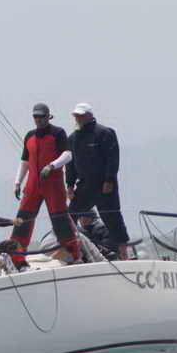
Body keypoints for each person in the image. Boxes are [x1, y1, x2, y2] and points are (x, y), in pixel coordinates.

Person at [10, 103, 80, 266]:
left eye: (41, 116)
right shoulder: (29, 136)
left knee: (59, 218)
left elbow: (68, 155)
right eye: (36, 116)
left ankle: (72, 252)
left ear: (48, 116)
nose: (38, 119)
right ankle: (16, 256)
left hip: (53, 184)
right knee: (23, 219)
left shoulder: (58, 133)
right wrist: (18, 182)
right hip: (33, 185)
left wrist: (52, 166)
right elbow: (24, 161)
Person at [65, 103, 131, 259]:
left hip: (104, 185)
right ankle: (71, 252)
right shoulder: (72, 139)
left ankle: (124, 254)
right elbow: (70, 164)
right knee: (69, 216)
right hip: (85, 185)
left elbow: (112, 158)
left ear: (90, 115)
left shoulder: (105, 133)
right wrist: (70, 185)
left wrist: (109, 179)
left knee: (113, 218)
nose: (78, 118)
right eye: (76, 116)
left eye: (81, 115)